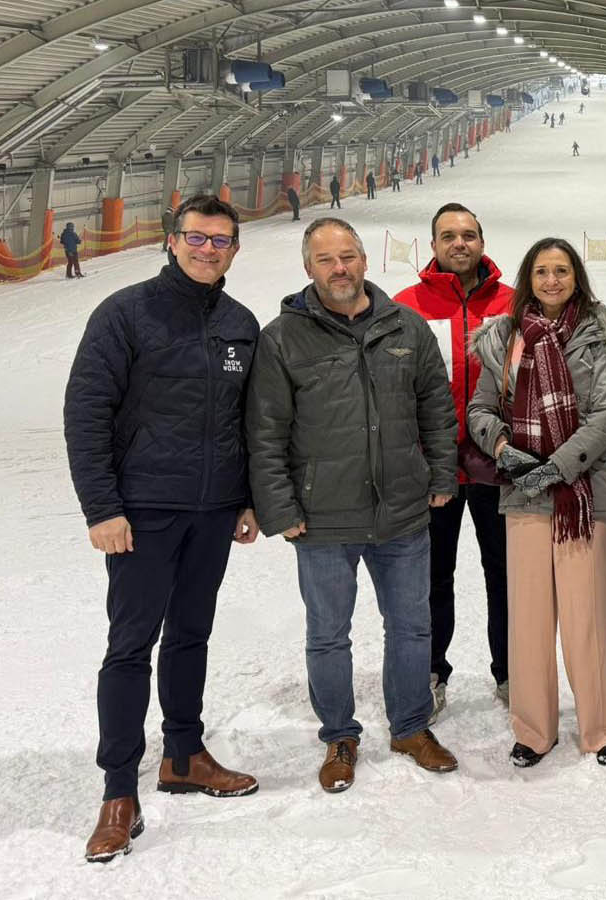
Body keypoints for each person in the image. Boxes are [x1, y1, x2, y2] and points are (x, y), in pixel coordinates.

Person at [65, 193, 261, 864]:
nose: (208, 249)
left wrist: (248, 498)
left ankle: (183, 753)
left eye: (221, 241)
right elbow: (87, 410)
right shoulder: (126, 314)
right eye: (197, 238)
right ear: (173, 241)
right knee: (130, 647)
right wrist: (102, 508)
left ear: (235, 249)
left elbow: (249, 422)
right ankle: (119, 791)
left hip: (213, 511)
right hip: (143, 512)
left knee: (192, 636)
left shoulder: (240, 324)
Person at [246, 217, 461, 794]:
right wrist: (279, 507)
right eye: (325, 260)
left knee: (412, 627)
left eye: (347, 257)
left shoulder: (407, 328)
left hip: (403, 512)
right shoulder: (283, 338)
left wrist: (440, 474)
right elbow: (265, 432)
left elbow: (436, 410)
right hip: (321, 519)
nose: (339, 269)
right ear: (308, 268)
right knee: (328, 634)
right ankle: (339, 734)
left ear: (364, 260)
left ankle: (411, 725)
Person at [466, 237, 606, 769]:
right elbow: (479, 408)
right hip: (523, 494)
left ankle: (601, 726)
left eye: (562, 270)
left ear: (576, 277)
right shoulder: (506, 338)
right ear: (528, 279)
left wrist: (555, 467)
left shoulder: (599, 337)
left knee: (588, 615)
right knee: (530, 618)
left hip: (580, 494)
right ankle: (533, 729)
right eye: (542, 272)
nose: (552, 281)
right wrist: (501, 448)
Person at [395, 204, 515, 718]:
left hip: (500, 468)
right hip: (432, 472)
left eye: (468, 235)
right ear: (433, 245)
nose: (459, 244)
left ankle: (514, 673)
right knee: (430, 578)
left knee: (507, 577)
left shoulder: (514, 303)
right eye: (448, 236)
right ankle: (430, 671)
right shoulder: (405, 306)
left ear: (482, 241)